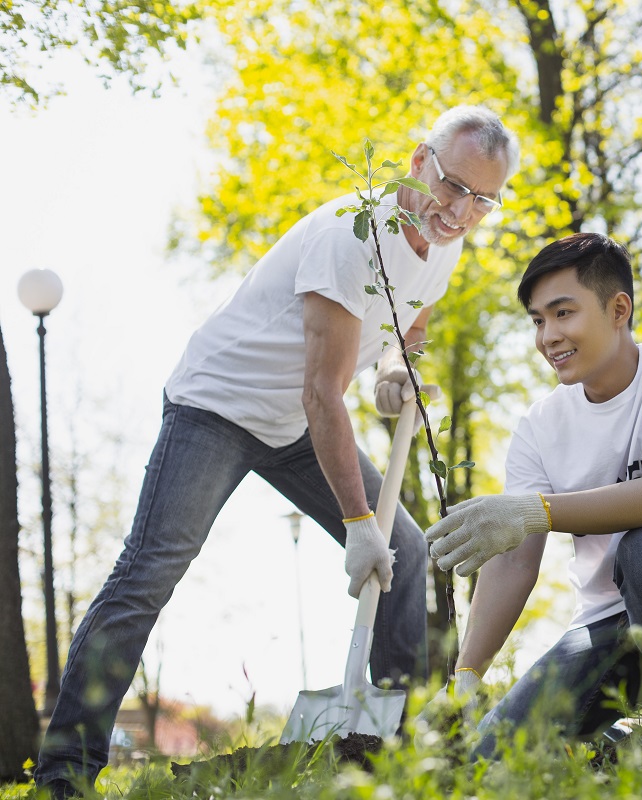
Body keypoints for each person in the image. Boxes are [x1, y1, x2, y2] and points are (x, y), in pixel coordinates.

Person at [35, 105, 520, 796]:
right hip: (218, 406)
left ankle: (403, 756)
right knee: (149, 574)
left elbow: (403, 337)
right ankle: (63, 775)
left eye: (483, 199)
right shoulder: (349, 235)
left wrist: (389, 377)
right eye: (453, 185)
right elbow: (324, 393)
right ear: (418, 161)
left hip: (292, 427)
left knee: (407, 555)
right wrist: (357, 524)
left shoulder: (446, 245)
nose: (461, 209)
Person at [422, 232, 642, 755]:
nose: (548, 335)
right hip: (608, 625)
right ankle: (618, 741)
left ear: (619, 309)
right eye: (537, 320)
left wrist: (535, 512)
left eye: (563, 313)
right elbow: (514, 564)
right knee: (494, 752)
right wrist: (466, 677)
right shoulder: (540, 426)